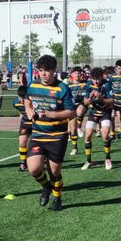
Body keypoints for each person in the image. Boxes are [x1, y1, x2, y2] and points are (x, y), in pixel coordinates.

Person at [23, 54, 74, 210]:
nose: (43, 74)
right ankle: (46, 187)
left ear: (54, 71)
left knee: (55, 171)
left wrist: (53, 115)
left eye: (47, 70)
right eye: (41, 70)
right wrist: (29, 110)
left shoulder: (62, 88)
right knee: (33, 168)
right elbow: (27, 99)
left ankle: (57, 199)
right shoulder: (33, 85)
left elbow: (71, 112)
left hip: (57, 136)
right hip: (38, 134)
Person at [82, 67, 114, 170]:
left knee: (105, 134)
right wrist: (90, 99)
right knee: (88, 135)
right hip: (94, 112)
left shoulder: (107, 84)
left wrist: (101, 98)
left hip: (105, 112)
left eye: (98, 79)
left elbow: (112, 101)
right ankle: (88, 161)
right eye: (93, 79)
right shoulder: (88, 84)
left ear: (102, 77)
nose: (96, 81)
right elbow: (85, 102)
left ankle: (108, 159)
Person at [13, 80, 31, 171]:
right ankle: (23, 162)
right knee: (22, 142)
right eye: (21, 97)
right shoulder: (15, 103)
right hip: (25, 124)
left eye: (25, 97)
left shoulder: (33, 102)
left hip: (37, 124)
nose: (23, 100)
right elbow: (20, 111)